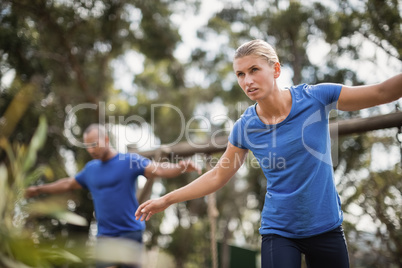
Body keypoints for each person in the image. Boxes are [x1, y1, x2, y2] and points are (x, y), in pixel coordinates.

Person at [135, 39, 402, 268]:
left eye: (254, 70)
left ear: (275, 69)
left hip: (326, 228)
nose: (247, 81)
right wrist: (167, 200)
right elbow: (217, 176)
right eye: (240, 74)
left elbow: (381, 92)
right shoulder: (245, 127)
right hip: (280, 231)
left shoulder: (316, 98)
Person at [25, 123, 201, 268]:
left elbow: (160, 169)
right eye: (88, 146)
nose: (92, 149)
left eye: (95, 144)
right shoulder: (91, 170)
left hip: (130, 232)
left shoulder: (129, 161)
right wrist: (39, 189)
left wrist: (181, 166)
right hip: (105, 236)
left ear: (106, 140)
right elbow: (68, 183)